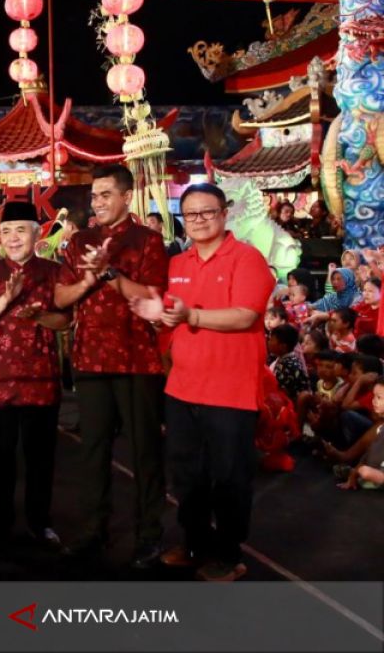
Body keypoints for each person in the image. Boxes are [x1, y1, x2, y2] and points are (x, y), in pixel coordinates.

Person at [130, 182, 276, 581]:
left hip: (230, 390)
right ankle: (193, 544)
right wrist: (155, 312)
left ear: (224, 214)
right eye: (190, 214)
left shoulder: (247, 259)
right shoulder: (178, 264)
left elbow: (245, 315)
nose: (198, 220)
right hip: (182, 388)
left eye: (206, 212)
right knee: (187, 476)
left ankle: (230, 555)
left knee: (229, 478)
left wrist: (190, 317)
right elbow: (170, 318)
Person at [53, 164, 169, 568]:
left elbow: (153, 294)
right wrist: (88, 281)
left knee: (144, 453)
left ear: (126, 196)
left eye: (105, 195)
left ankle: (149, 536)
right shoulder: (79, 241)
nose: (97, 202)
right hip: (89, 356)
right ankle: (93, 531)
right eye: (94, 196)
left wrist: (109, 274)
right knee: (93, 452)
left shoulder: (148, 241)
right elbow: (61, 298)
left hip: (137, 357)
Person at [0, 201, 70, 547]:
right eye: (7, 231)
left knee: (41, 460)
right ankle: (0, 524)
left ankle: (39, 523)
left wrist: (39, 317)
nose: (13, 239)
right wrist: (4, 300)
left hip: (41, 383)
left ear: (37, 233)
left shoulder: (54, 273)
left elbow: (65, 320)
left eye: (20, 230)